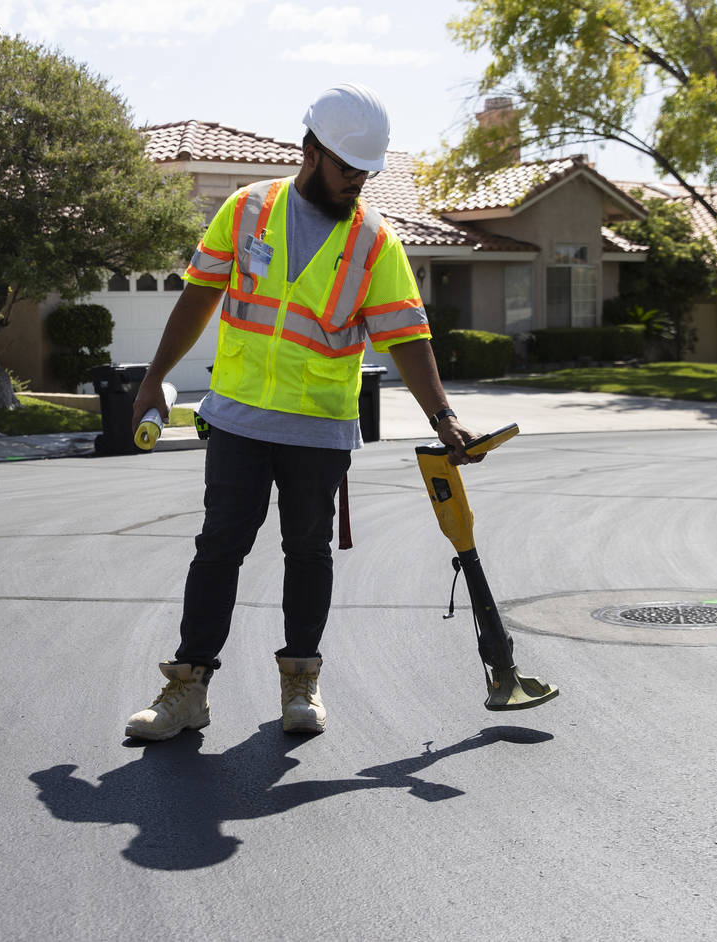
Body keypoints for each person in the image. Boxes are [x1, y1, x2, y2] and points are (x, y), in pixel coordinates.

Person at [124, 82, 480, 741]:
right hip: (237, 418)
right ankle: (187, 691)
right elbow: (200, 296)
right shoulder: (248, 208)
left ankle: (300, 683)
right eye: (348, 169)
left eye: (367, 173)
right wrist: (154, 380)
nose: (358, 184)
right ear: (311, 150)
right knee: (218, 548)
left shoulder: (377, 243)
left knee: (308, 552)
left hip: (318, 428)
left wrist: (443, 416)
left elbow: (408, 336)